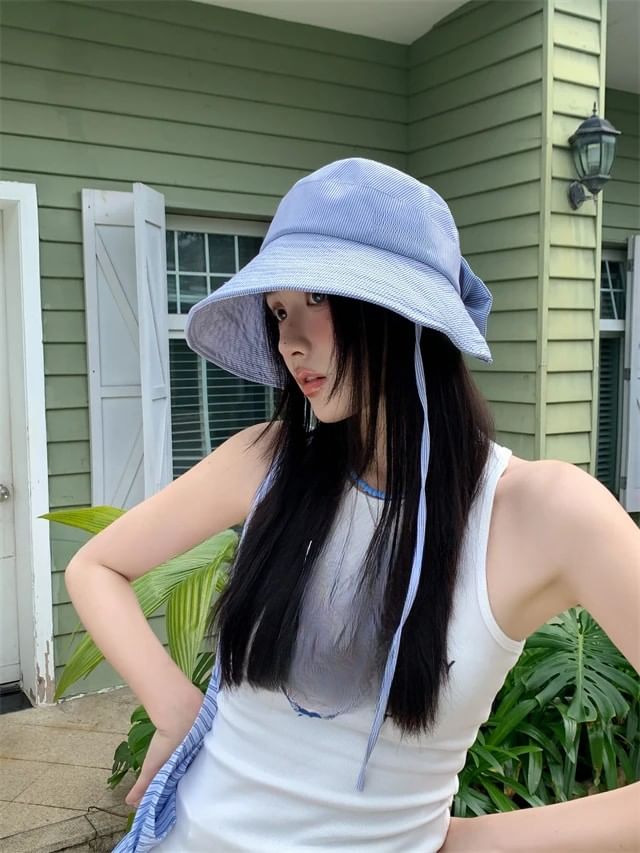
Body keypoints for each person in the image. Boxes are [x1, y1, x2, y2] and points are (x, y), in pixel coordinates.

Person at [65, 158, 640, 853]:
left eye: (317, 297)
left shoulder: (542, 512)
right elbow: (96, 565)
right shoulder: (269, 462)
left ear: (407, 312)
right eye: (279, 311)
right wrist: (174, 706)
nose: (289, 341)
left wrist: (451, 841)